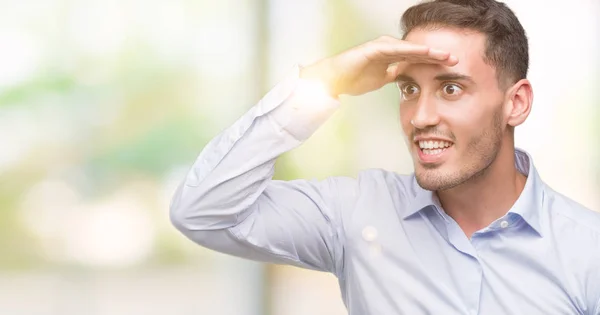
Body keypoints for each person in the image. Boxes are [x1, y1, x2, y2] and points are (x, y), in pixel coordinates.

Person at [170, 0, 600, 313]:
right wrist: (324, 84)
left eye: (451, 88)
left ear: (516, 103)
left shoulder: (587, 250)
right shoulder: (355, 214)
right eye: (409, 89)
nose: (421, 116)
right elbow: (204, 213)